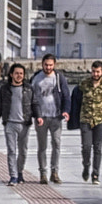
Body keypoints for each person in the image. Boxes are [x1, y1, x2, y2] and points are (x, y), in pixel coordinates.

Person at [70, 61, 102, 185]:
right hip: (85, 120)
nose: (95, 74)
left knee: (98, 148)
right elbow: (76, 100)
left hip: (101, 120)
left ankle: (95, 174)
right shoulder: (83, 84)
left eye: (98, 71)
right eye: (93, 71)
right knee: (86, 147)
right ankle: (86, 166)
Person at [0, 62, 35, 185]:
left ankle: (19, 172)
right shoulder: (5, 89)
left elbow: (34, 104)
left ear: (24, 75)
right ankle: (13, 176)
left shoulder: (28, 89)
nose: (19, 76)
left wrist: (39, 117)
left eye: (21, 73)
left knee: (23, 151)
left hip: (25, 123)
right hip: (9, 123)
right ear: (11, 74)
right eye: (16, 73)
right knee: (11, 151)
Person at [30, 53, 69, 184]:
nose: (48, 67)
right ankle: (43, 173)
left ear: (55, 65)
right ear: (42, 64)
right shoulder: (36, 78)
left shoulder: (59, 78)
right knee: (42, 146)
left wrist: (65, 111)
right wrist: (36, 115)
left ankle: (54, 172)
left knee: (56, 144)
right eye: (46, 65)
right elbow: (31, 98)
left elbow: (66, 96)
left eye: (51, 65)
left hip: (56, 117)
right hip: (41, 118)